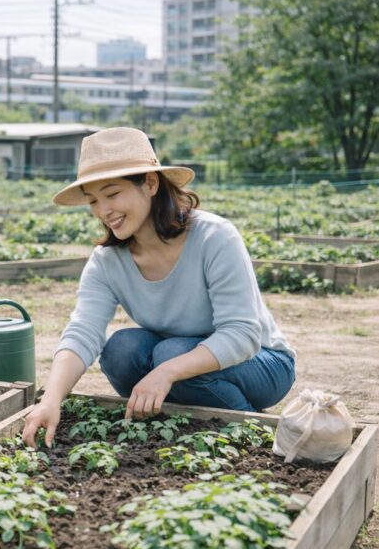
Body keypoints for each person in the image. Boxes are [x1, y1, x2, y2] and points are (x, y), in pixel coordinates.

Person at [23, 127, 295, 447]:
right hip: (180, 355)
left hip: (262, 362)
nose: (103, 210)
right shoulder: (108, 261)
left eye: (112, 194)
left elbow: (242, 334)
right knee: (120, 350)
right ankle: (180, 417)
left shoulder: (214, 237)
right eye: (93, 200)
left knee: (170, 355)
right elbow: (83, 330)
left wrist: (166, 372)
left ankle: (249, 428)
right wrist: (52, 399)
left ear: (150, 184)